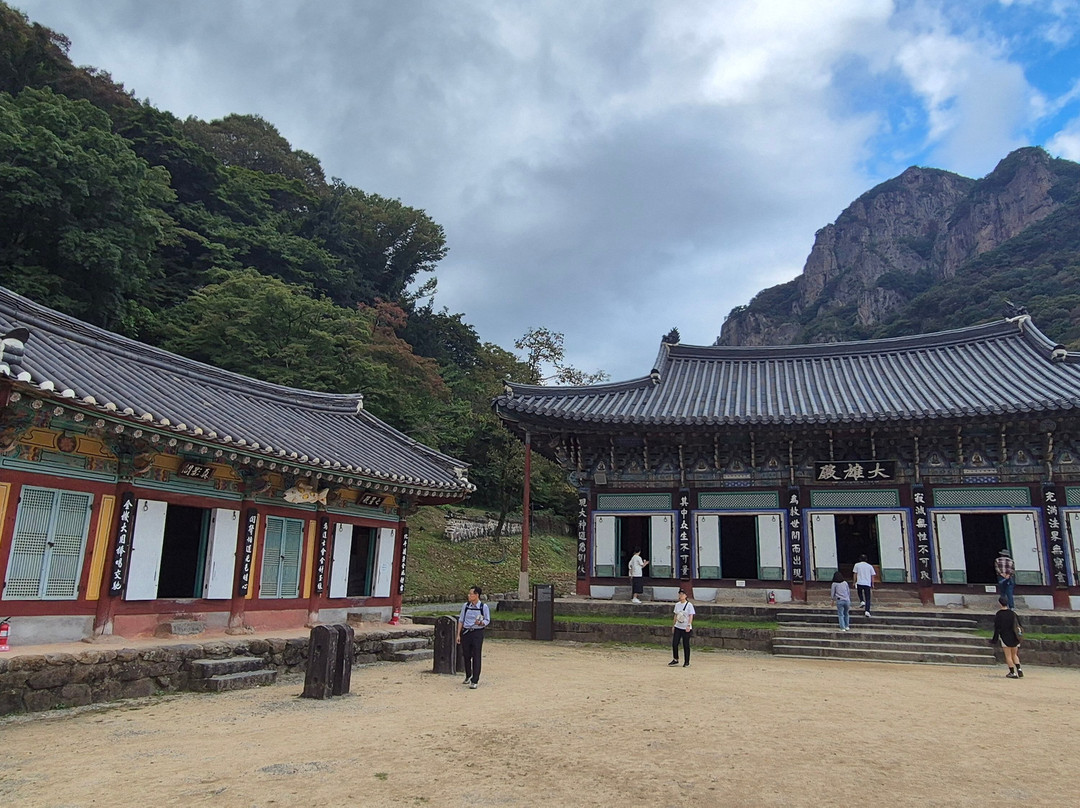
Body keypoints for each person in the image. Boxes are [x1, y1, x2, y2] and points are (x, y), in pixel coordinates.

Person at [456, 586, 490, 689]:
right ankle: (468, 674)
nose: (469, 596)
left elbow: (487, 620)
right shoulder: (466, 606)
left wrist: (481, 623)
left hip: (477, 632)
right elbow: (461, 620)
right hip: (466, 632)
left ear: (476, 595)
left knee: (476, 655)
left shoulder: (483, 607)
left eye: (471, 594)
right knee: (466, 655)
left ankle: (475, 680)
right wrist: (458, 634)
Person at [990, 595, 1024, 678]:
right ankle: (1019, 669)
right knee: (1014, 655)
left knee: (1008, 656)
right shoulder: (1013, 613)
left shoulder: (999, 614)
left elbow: (997, 628)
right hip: (1014, 636)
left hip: (1005, 636)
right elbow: (1019, 624)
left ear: (1000, 603)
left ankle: (1012, 672)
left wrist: (994, 639)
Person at [669, 589, 695, 667]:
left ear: (686, 596)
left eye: (682, 594)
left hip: (685, 627)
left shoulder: (689, 605)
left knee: (686, 644)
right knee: (675, 643)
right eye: (680, 594)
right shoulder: (677, 605)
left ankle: (687, 661)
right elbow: (676, 615)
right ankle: (675, 659)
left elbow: (691, 615)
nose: (681, 596)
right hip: (678, 626)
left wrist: (689, 625)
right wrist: (674, 625)